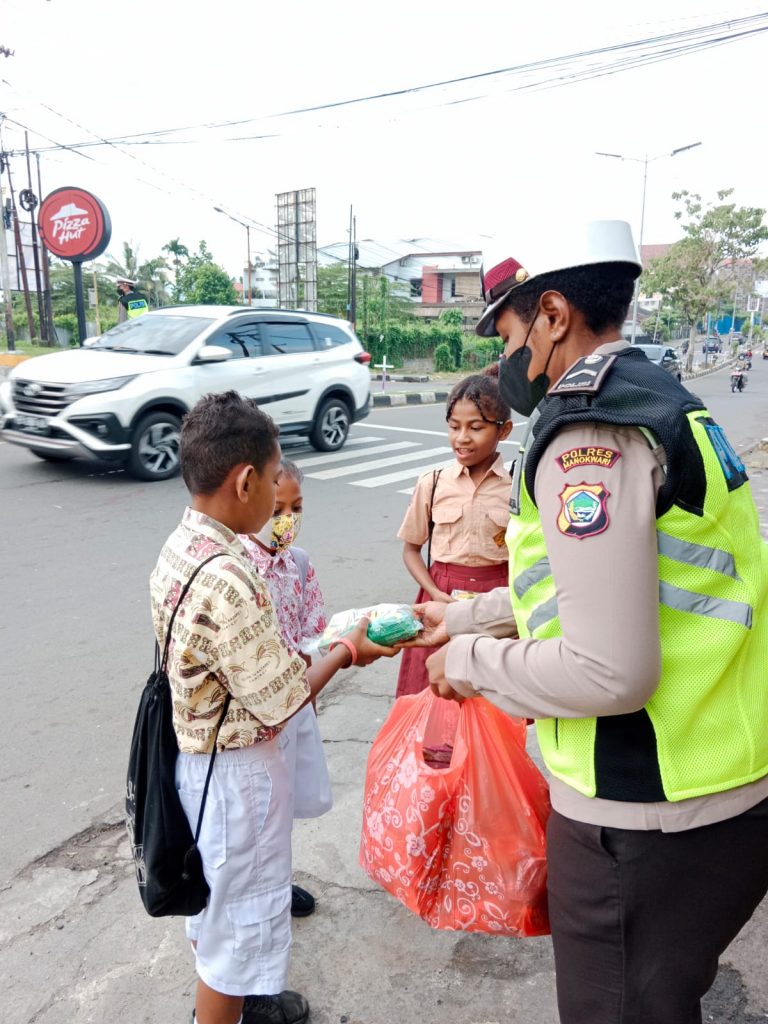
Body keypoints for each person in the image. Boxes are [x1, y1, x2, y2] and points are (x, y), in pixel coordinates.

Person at [408, 220, 768, 1024]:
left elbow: (611, 669)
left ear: (555, 314)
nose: (507, 363)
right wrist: (466, 614)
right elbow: (619, 586)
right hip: (719, 783)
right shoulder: (669, 403)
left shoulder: (589, 437)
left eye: (508, 332)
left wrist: (468, 662)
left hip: (646, 816)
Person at [150, 391, 396, 1024]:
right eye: (275, 476)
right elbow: (284, 700)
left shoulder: (181, 545)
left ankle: (235, 1007)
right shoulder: (232, 576)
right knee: (238, 930)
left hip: (199, 764)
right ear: (246, 480)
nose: (277, 506)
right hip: (237, 777)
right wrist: (347, 648)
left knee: (219, 910)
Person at [239, 458, 330, 920]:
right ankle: (259, 892)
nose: (287, 522)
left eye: (296, 509)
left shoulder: (297, 563)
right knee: (257, 815)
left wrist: (323, 657)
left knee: (284, 805)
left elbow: (313, 630)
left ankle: (278, 881)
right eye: (276, 510)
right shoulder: (237, 569)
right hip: (254, 721)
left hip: (296, 706)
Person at [395, 368, 512, 697]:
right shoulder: (431, 483)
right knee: (435, 693)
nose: (462, 437)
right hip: (441, 595)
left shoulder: (518, 487)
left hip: (495, 602)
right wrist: (433, 591)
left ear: (504, 431)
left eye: (475, 428)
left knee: (491, 699)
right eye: (454, 427)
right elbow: (411, 550)